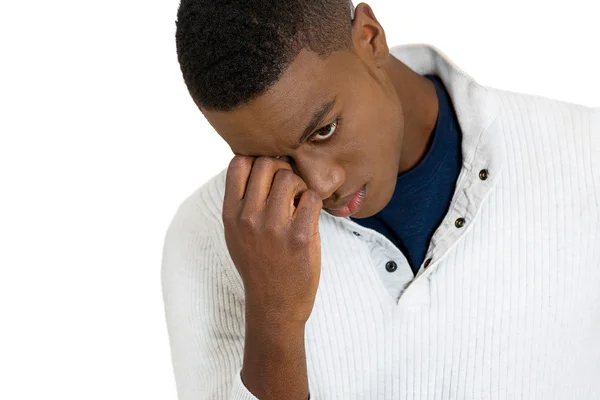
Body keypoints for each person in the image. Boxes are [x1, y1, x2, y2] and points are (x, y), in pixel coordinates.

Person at [161, 0, 600, 399]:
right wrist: (275, 320)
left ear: (370, 40)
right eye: (268, 158)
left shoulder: (583, 155)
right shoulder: (207, 237)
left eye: (325, 129)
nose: (320, 183)